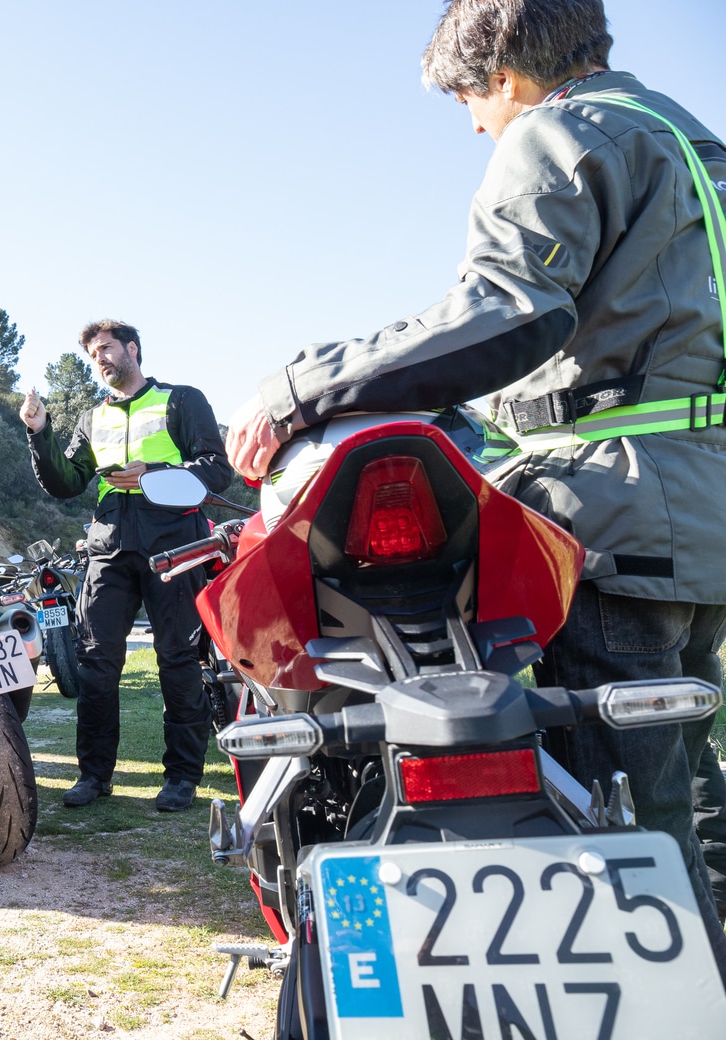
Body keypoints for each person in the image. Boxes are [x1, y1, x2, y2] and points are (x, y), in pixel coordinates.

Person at [224, 0, 726, 954]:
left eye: (468, 100)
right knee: (689, 784)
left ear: (503, 75)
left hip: (610, 508)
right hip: (701, 508)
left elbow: (508, 310)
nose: (475, 124)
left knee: (633, 830)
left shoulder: (561, 130)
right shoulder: (695, 145)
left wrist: (303, 387)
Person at [20, 320, 233, 812]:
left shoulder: (182, 400)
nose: (100, 360)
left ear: (132, 349)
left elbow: (217, 469)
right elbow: (67, 482)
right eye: (94, 354)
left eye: (107, 349)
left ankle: (181, 778)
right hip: (109, 546)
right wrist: (39, 433)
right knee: (95, 665)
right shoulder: (92, 417)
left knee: (178, 660)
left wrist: (154, 474)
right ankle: (95, 776)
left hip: (175, 544)